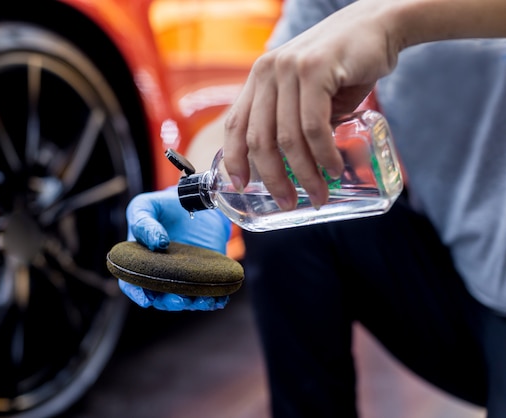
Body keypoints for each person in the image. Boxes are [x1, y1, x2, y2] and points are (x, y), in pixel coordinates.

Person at [120, 0, 506, 416]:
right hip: (469, 290)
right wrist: (198, 200)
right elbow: (253, 115)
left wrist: (393, 21)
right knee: (285, 214)